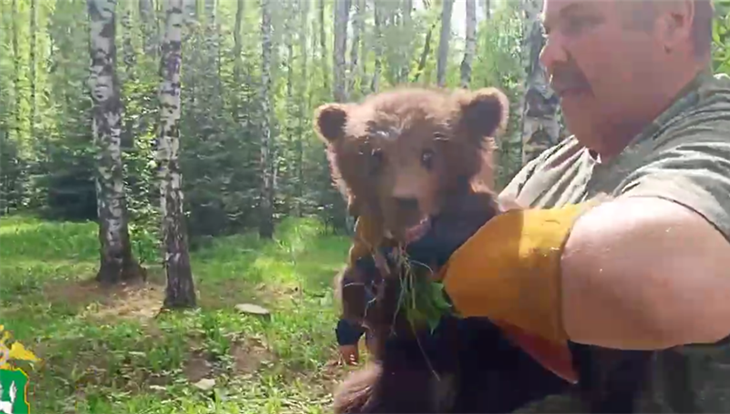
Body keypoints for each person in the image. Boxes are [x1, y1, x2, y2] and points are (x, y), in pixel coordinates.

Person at [434, 0, 730, 412]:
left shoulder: (718, 131)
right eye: (548, 32)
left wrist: (445, 254)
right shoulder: (554, 165)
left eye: (580, 22)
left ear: (673, 21)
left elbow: (666, 276)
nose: (549, 54)